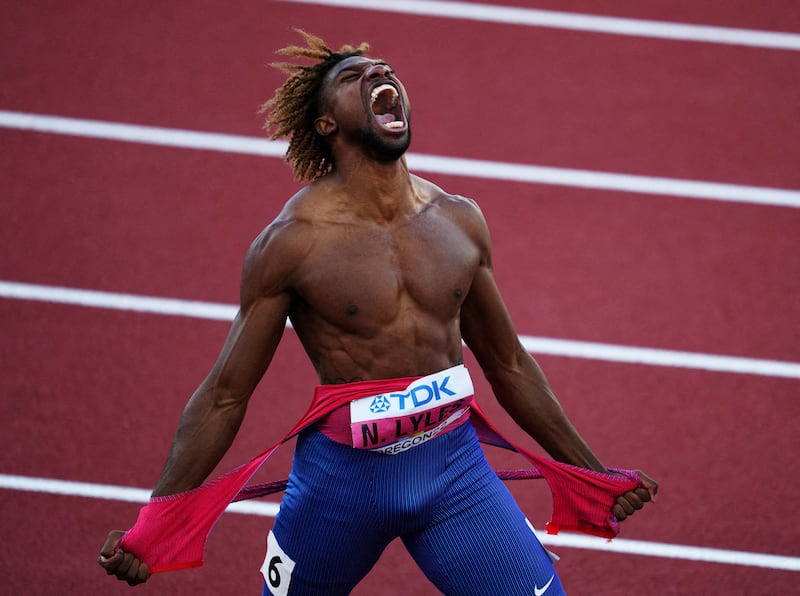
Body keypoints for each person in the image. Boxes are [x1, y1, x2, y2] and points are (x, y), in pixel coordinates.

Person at [98, 30, 657, 595]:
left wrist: (590, 470)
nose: (377, 74)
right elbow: (226, 394)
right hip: (340, 490)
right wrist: (157, 521)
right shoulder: (293, 244)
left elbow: (508, 364)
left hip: (454, 472)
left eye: (383, 69)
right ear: (325, 125)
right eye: (351, 77)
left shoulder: (458, 221)